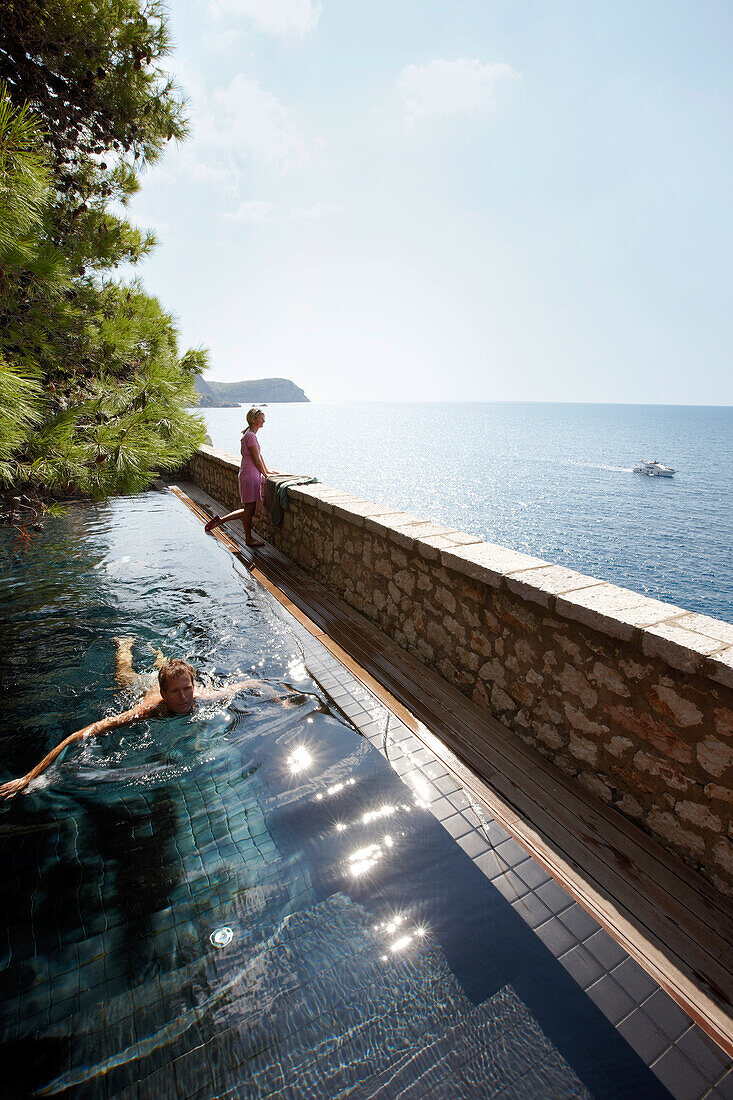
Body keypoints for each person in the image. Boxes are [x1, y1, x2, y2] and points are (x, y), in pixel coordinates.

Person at [0, 642, 288, 800]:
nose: (184, 697)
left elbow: (251, 683)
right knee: (123, 675)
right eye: (176, 692)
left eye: (187, 688)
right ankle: (124, 646)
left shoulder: (201, 696)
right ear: (164, 694)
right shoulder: (149, 709)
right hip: (143, 687)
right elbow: (79, 734)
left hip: (162, 679)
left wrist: (280, 700)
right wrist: (29, 777)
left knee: (164, 666)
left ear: (193, 684)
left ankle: (159, 657)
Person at [205, 407, 271, 546]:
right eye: (261, 418)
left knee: (249, 508)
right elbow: (256, 459)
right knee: (249, 510)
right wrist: (265, 474)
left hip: (247, 473)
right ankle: (248, 539)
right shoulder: (251, 436)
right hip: (250, 475)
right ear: (253, 420)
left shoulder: (249, 434)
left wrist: (267, 472)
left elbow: (259, 456)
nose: (264, 420)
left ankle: (220, 521)